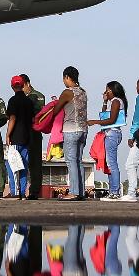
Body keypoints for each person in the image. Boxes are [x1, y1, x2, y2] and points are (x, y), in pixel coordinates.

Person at [50, 66, 89, 200]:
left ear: (67, 77)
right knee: (78, 161)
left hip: (71, 129)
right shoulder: (83, 92)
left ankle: (74, 192)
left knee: (71, 161)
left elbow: (56, 110)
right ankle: (81, 192)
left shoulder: (67, 92)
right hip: (83, 130)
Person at [87, 81, 128, 200]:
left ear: (113, 90)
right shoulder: (114, 102)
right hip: (111, 134)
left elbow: (111, 120)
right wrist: (104, 102)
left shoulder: (116, 101)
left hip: (112, 134)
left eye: (107, 90)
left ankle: (115, 191)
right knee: (109, 163)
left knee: (111, 163)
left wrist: (94, 122)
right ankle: (112, 191)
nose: (106, 93)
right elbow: (104, 115)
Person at [5, 75, 35, 200]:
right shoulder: (29, 101)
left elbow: (12, 118)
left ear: (12, 86)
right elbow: (33, 119)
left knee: (12, 165)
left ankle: (14, 192)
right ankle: (22, 192)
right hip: (27, 137)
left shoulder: (13, 100)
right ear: (23, 85)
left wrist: (8, 134)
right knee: (23, 165)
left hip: (16, 138)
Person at [21, 74, 45, 200]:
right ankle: (19, 190)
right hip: (21, 132)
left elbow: (38, 114)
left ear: (27, 84)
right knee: (20, 162)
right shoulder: (20, 97)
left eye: (22, 86)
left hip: (34, 131)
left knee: (35, 162)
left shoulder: (38, 96)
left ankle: (35, 191)